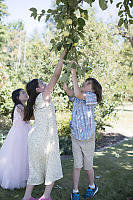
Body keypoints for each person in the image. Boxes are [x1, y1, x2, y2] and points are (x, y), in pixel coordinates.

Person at [22, 49, 67, 200]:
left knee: (35, 168)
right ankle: (46, 196)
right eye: (41, 83)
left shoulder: (33, 102)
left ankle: (27, 196)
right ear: (38, 89)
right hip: (46, 139)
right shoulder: (44, 95)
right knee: (52, 165)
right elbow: (56, 76)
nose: (44, 83)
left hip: (35, 139)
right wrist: (62, 57)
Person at [63, 61, 102, 200]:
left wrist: (74, 74)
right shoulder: (80, 95)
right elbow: (70, 92)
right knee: (77, 165)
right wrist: (65, 79)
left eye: (87, 83)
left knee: (87, 167)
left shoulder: (92, 97)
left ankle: (92, 186)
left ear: (93, 89)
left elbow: (78, 94)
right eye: (84, 83)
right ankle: (75, 191)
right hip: (76, 136)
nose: (84, 84)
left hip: (87, 138)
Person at [0, 88, 30, 190]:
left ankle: (24, 177)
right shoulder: (19, 106)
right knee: (18, 156)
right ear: (18, 97)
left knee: (24, 155)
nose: (25, 94)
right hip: (19, 135)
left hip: (23, 132)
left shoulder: (22, 106)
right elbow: (25, 118)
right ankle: (15, 178)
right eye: (23, 93)